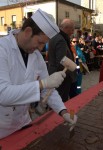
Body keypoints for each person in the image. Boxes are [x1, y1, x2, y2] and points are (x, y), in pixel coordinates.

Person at [0, 9, 77, 139]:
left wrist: (63, 111)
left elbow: (48, 90)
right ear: (28, 31)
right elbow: (3, 94)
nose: (41, 48)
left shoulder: (35, 56)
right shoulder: (2, 50)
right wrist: (42, 83)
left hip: (23, 123)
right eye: (40, 42)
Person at [48, 18, 77, 102]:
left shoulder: (55, 36)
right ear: (66, 28)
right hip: (61, 77)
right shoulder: (60, 39)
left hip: (55, 73)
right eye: (72, 29)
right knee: (60, 101)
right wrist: (71, 69)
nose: (72, 32)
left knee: (56, 99)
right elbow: (62, 61)